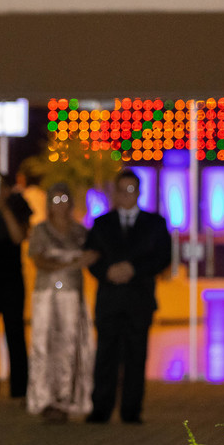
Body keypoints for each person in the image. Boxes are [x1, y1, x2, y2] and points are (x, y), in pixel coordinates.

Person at [84, 169, 172, 424]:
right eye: (122, 190)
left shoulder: (155, 223)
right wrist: (107, 272)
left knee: (136, 355)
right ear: (116, 192)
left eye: (132, 190)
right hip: (109, 299)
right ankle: (100, 408)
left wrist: (134, 269)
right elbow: (91, 257)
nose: (127, 195)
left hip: (139, 299)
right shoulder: (102, 223)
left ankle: (131, 410)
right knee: (105, 355)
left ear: (140, 191)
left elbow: (163, 256)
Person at [26, 183, 96, 422]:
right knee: (44, 344)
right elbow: (39, 259)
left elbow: (93, 255)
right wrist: (68, 265)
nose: (60, 205)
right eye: (55, 200)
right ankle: (44, 399)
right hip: (45, 292)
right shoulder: (40, 230)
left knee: (70, 343)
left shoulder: (80, 231)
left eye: (64, 199)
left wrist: (70, 264)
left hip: (72, 293)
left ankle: (67, 398)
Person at [0, 173, 32, 400]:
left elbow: (18, 236)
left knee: (15, 332)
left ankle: (20, 388)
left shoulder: (18, 205)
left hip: (11, 278)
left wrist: (3, 208)